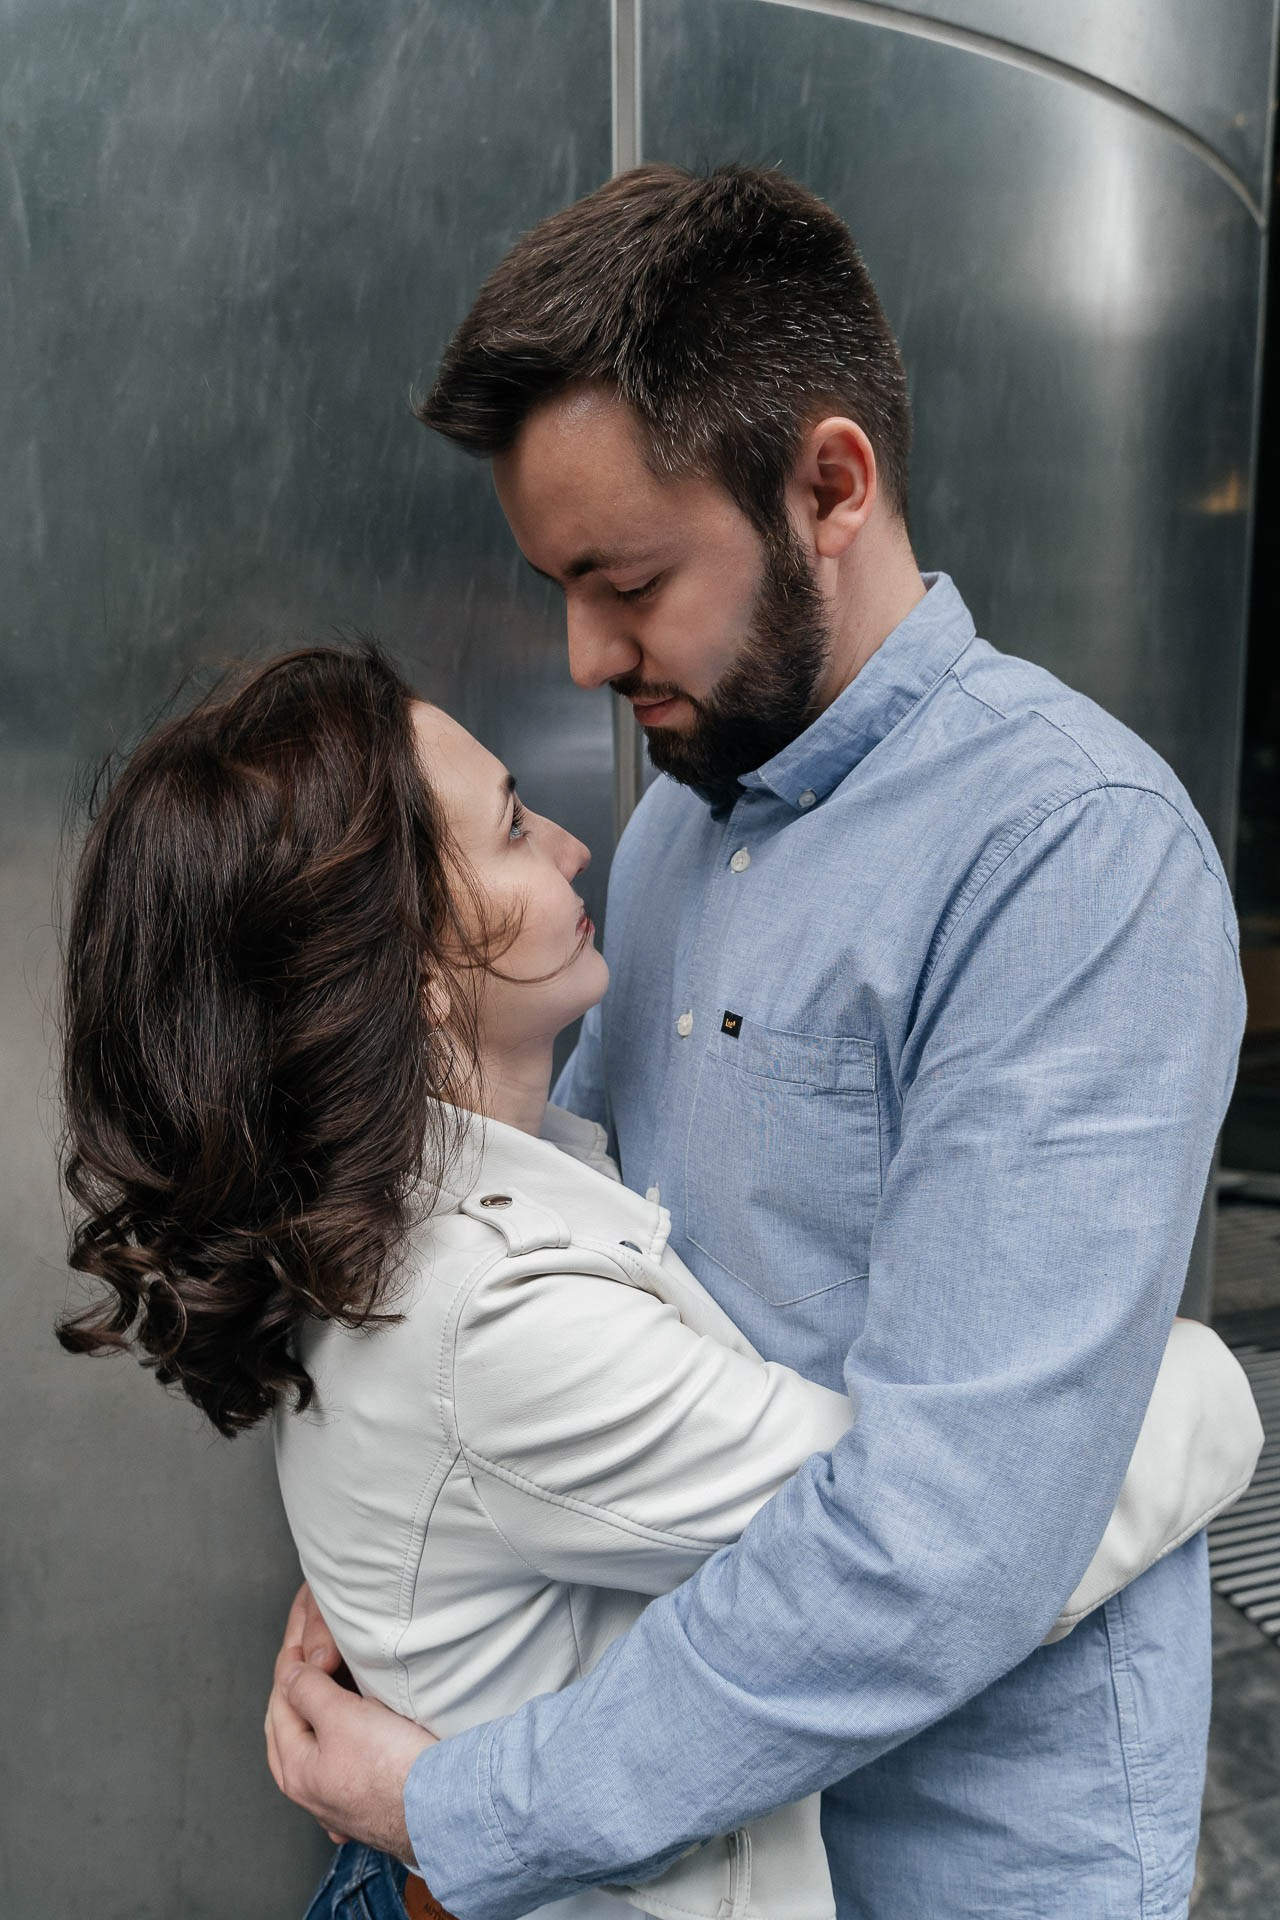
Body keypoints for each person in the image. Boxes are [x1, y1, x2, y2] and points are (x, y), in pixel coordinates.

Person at [264, 164, 1252, 1919]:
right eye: (560, 585)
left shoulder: (1068, 855)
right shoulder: (676, 824)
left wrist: (476, 1808)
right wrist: (414, 1538)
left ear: (831, 488)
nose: (586, 653)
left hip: (958, 1859)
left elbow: (947, 1540)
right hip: (691, 1854)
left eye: (628, 580)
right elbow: (556, 1230)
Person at [55, 644, 1257, 1920]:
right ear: (412, 976)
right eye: (513, 829)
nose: (574, 846)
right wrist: (1205, 1378)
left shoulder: (403, 1216)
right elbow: (928, 1548)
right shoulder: (492, 1315)